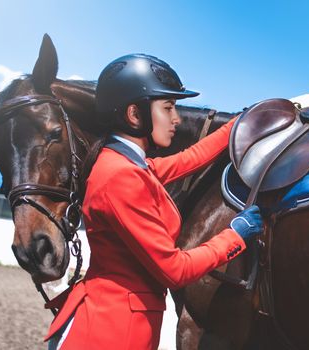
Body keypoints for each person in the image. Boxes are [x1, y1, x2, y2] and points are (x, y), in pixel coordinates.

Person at [45, 54, 263, 349]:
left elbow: (190, 159)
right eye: (168, 108)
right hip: (112, 333)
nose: (177, 118)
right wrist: (234, 236)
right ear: (135, 115)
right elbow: (175, 270)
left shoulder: (127, 164)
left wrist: (240, 124)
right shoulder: (120, 177)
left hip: (115, 324)